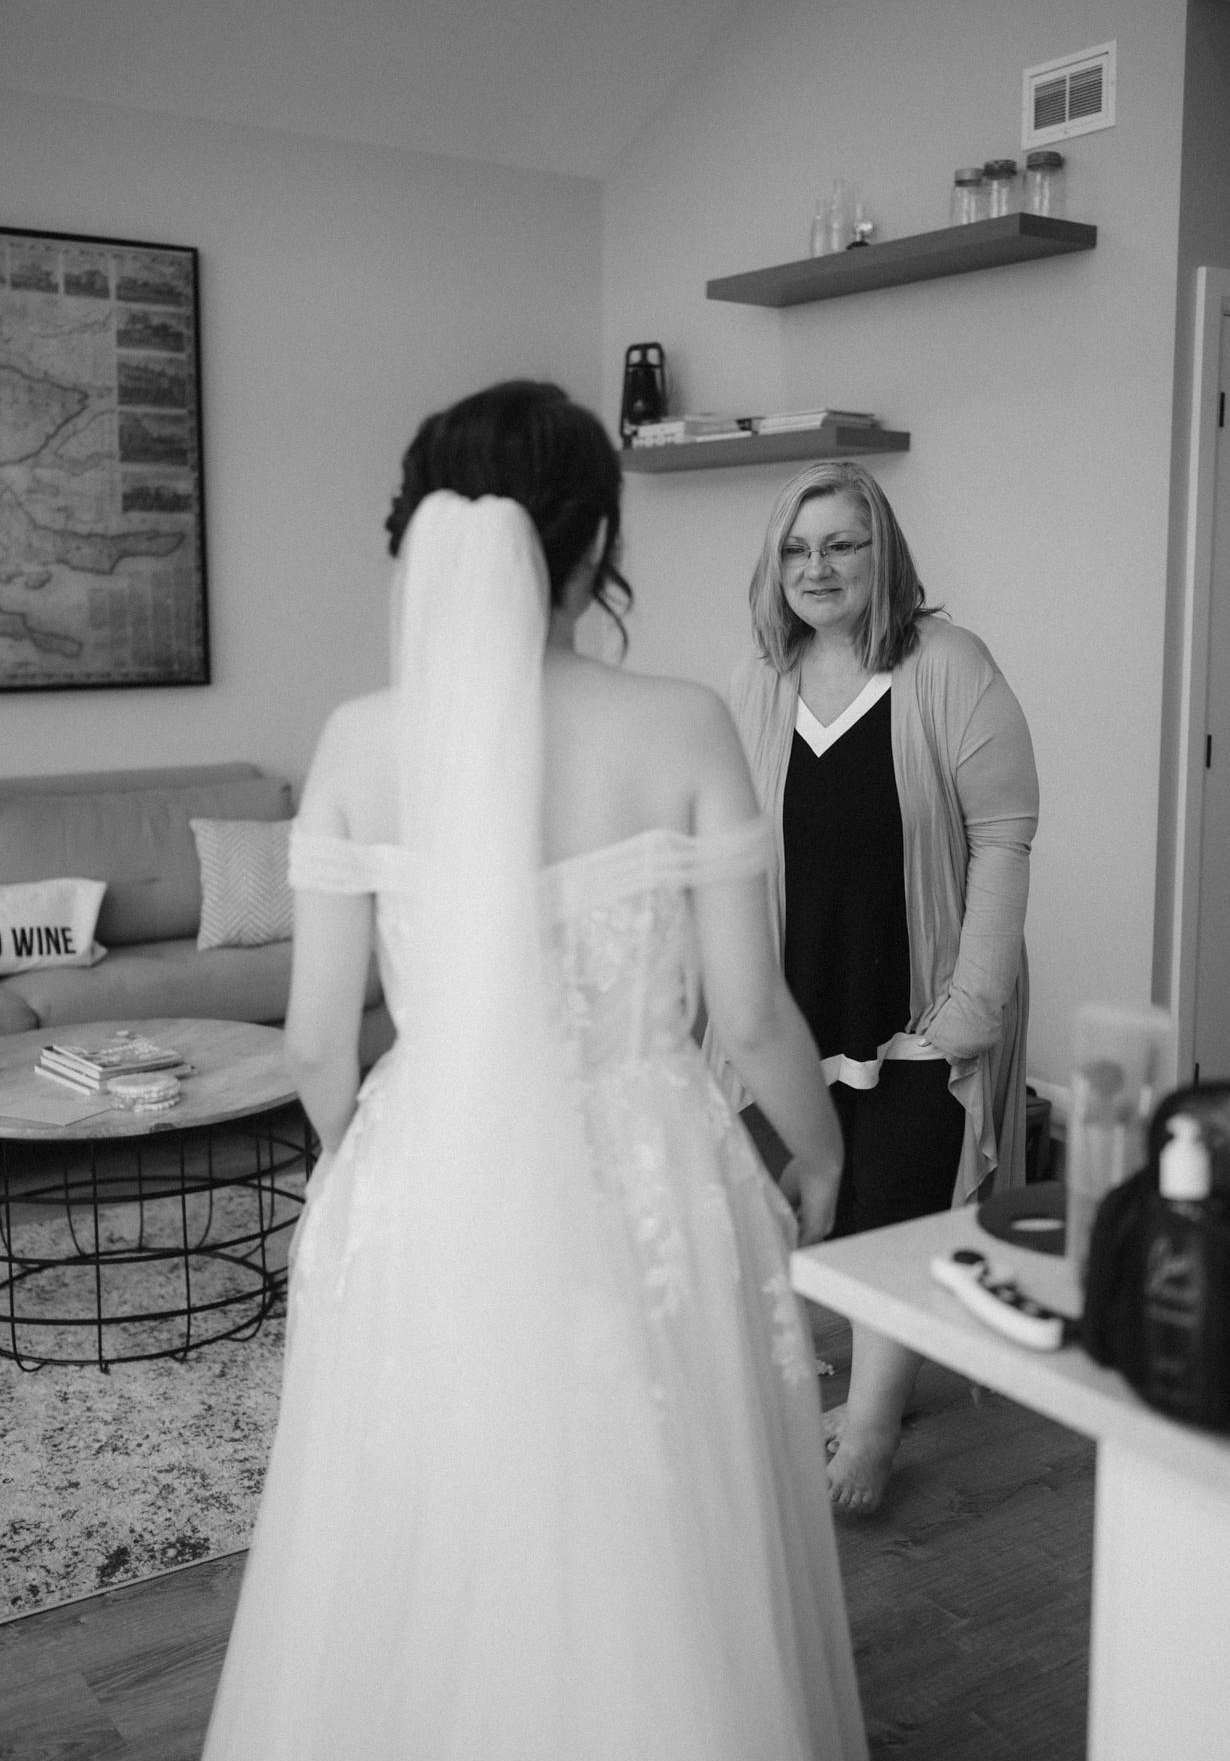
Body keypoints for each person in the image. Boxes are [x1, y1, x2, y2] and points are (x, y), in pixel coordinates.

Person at [201, 383, 867, 1761]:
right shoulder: (681, 722)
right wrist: (818, 1149)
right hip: (645, 1165)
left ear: (425, 536)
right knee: (653, 1508)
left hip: (421, 1164)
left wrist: (378, 1161)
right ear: (595, 542)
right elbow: (750, 1015)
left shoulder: (351, 742)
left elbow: (320, 1040)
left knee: (437, 1502)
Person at [708, 461, 1038, 1516]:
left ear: (880, 552)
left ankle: (874, 1423)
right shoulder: (761, 679)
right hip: (797, 992)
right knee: (797, 1192)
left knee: (899, 1207)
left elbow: (1001, 835)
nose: (817, 566)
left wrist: (971, 1004)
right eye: (796, 549)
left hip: (921, 998)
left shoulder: (945, 665)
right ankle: (816, 1375)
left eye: (840, 544)